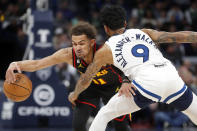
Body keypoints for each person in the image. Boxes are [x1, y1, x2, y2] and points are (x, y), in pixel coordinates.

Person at [68, 5, 197, 131]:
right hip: (171, 77)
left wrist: (75, 94)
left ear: (106, 28)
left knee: (104, 114)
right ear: (125, 23)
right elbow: (177, 37)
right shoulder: (144, 32)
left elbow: (86, 79)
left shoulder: (105, 51)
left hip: (147, 84)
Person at [5, 22, 132, 131]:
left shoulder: (105, 51)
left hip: (113, 87)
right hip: (89, 86)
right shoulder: (68, 55)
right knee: (78, 125)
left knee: (121, 126)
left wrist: (126, 81)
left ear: (92, 42)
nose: (77, 48)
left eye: (81, 43)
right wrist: (15, 64)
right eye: (74, 44)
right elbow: (38, 63)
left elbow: (129, 66)